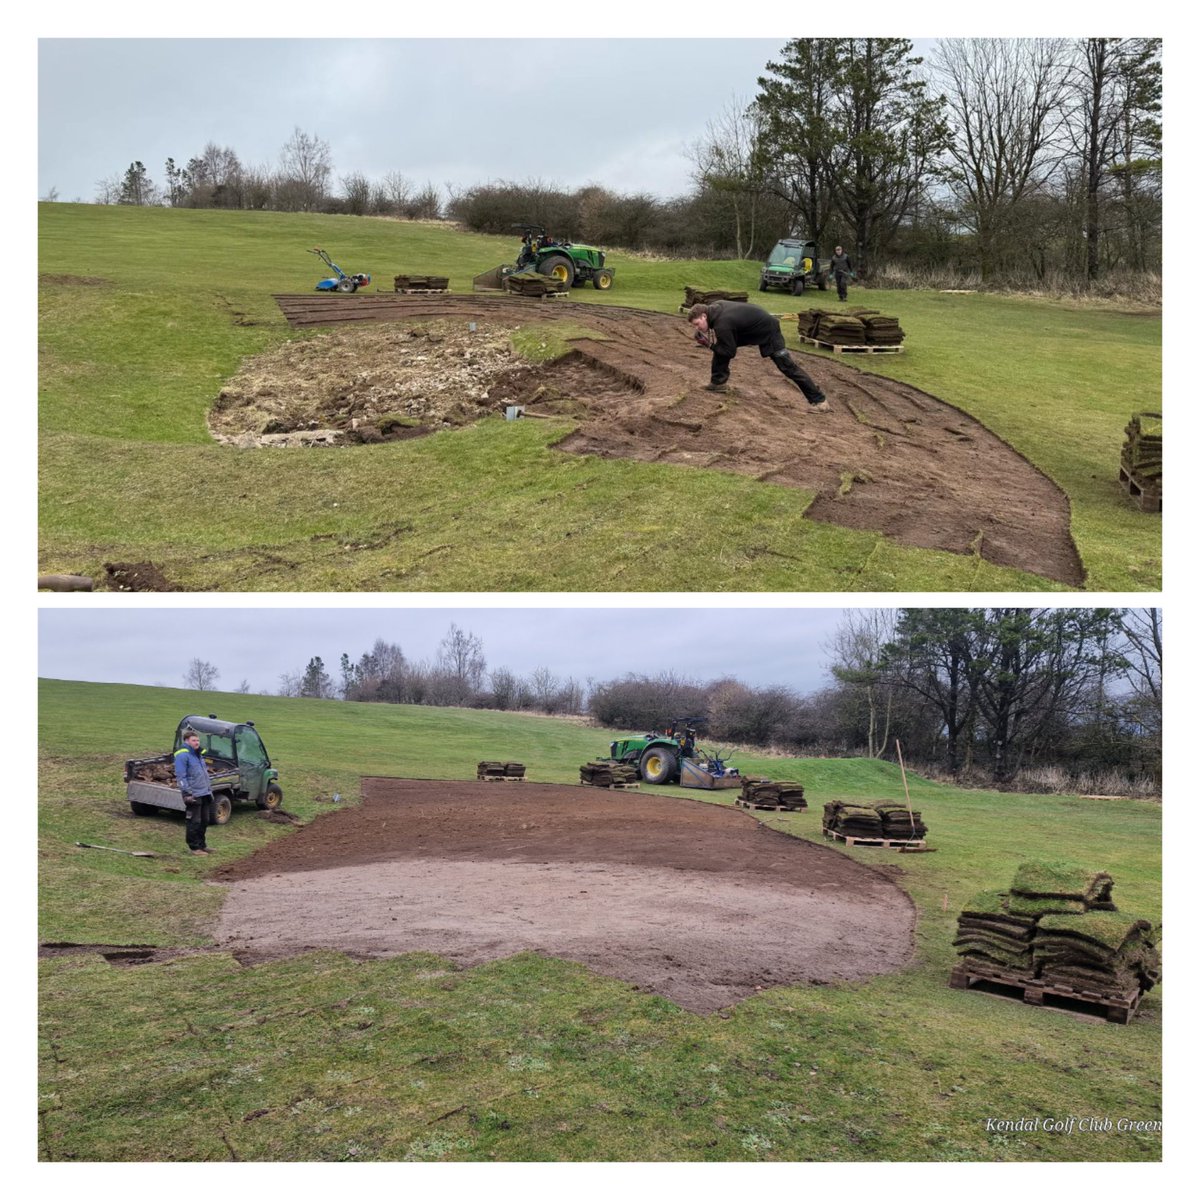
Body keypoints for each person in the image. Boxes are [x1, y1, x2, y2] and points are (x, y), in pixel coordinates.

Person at [688, 301, 831, 412]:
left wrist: (708, 344)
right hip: (750, 329)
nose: (697, 328)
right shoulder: (715, 308)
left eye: (697, 324)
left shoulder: (723, 324)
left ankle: (819, 401)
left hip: (769, 332)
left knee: (787, 367)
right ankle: (718, 383)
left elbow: (729, 353)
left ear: (704, 316)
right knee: (723, 346)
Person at [174, 727, 215, 856]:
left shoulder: (198, 754)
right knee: (194, 822)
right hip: (194, 794)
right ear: (187, 741)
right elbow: (181, 776)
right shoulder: (182, 755)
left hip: (205, 792)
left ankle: (202, 845)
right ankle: (194, 848)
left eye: (197, 740)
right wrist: (186, 793)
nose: (197, 742)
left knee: (204, 820)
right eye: (194, 740)